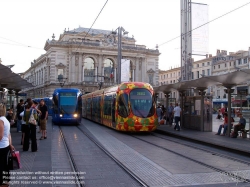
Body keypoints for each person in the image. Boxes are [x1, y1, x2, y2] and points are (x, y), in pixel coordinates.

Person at [0, 103, 15, 187]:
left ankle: (2, 182)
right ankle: (6, 180)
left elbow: (0, 136)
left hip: (1, 146)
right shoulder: (5, 120)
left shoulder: (1, 120)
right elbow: (9, 134)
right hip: (5, 145)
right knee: (4, 164)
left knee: (1, 165)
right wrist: (10, 144)